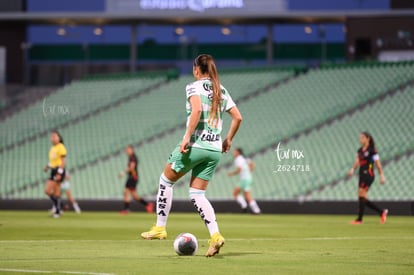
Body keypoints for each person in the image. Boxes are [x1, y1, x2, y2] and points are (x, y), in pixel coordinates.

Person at [140, 54, 242, 257]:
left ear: (196, 69)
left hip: (196, 144)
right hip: (214, 150)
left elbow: (196, 111)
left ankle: (160, 227)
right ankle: (215, 236)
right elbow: (238, 117)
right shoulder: (220, 90)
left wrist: (186, 137)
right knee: (197, 194)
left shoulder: (193, 87)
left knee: (165, 181)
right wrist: (228, 140)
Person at [348, 131, 388, 224]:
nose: (360, 139)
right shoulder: (360, 150)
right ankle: (381, 212)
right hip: (361, 174)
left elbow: (377, 163)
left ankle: (360, 219)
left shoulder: (372, 150)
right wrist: (353, 169)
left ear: (368, 138)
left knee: (361, 195)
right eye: (360, 137)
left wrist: (381, 175)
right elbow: (357, 161)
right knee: (362, 197)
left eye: (362, 137)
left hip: (368, 174)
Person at [119, 145, 154, 214]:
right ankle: (127, 209)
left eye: (128, 150)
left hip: (133, 177)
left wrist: (123, 173)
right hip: (131, 177)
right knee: (128, 193)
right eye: (126, 150)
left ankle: (147, 204)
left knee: (133, 195)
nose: (126, 151)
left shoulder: (133, 158)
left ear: (131, 150)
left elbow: (132, 168)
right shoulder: (131, 158)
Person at [228, 148, 261, 214]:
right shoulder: (244, 158)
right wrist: (249, 172)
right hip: (247, 178)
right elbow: (252, 164)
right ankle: (255, 210)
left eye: (234, 151)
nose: (233, 153)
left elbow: (239, 170)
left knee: (236, 193)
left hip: (244, 179)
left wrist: (231, 174)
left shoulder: (238, 159)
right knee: (246, 195)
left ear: (238, 152)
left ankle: (245, 206)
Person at [44, 130, 66, 218]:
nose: (52, 138)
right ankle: (59, 208)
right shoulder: (53, 148)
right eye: (51, 136)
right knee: (52, 192)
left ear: (59, 138)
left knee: (51, 191)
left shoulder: (61, 147)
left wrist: (59, 173)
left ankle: (58, 210)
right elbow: (53, 161)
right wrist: (47, 166)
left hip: (58, 170)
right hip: (53, 170)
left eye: (54, 136)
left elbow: (63, 161)